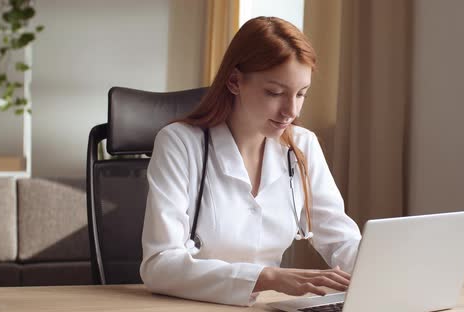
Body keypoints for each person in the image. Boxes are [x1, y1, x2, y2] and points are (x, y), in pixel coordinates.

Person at [140, 16, 361, 306]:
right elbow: (159, 266)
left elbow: (341, 239)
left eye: (301, 94)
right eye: (275, 93)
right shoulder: (179, 143)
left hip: (266, 306)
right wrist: (266, 277)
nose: (290, 111)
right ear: (234, 81)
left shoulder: (301, 145)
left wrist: (384, 271)